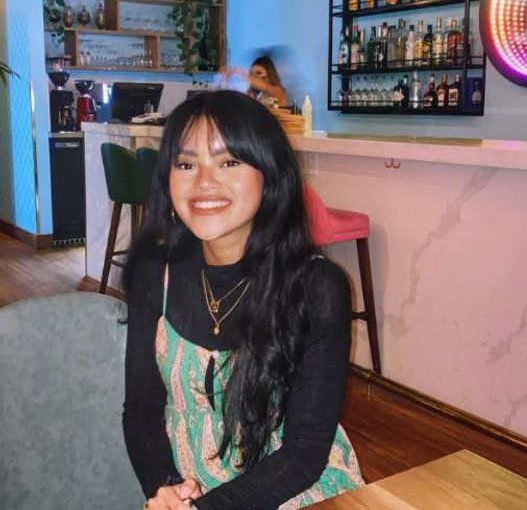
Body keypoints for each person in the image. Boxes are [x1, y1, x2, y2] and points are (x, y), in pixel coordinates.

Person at [122, 90, 363, 509]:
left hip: (292, 490)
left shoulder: (317, 287)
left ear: (269, 176)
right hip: (188, 485)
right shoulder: (153, 273)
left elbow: (304, 453)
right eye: (185, 163)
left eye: (229, 161)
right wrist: (162, 486)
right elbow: (141, 409)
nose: (203, 182)